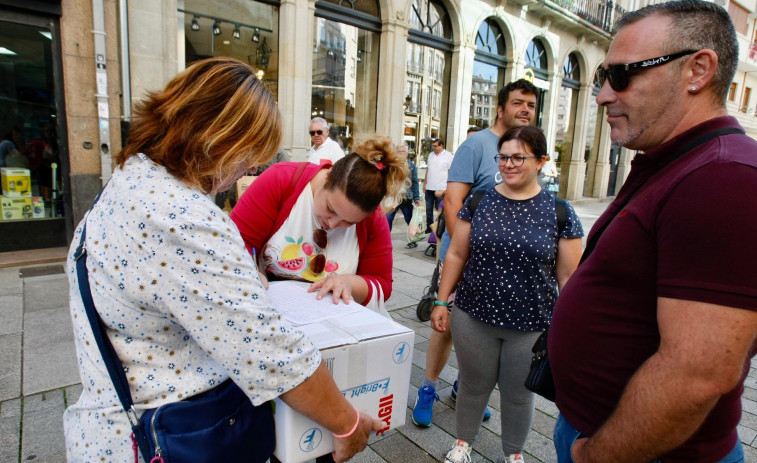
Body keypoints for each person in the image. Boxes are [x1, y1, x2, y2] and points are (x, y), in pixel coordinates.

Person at [63, 58, 382, 463]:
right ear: (219, 139)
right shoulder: (183, 219)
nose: (248, 169)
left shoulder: (131, 179)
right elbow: (269, 353)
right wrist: (347, 422)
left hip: (111, 425)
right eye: (249, 154)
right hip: (163, 438)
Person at [549, 2, 757, 463]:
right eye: (603, 76)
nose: (603, 94)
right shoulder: (682, 161)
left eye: (621, 75)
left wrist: (595, 455)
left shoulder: (725, 176)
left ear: (697, 70)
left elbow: (696, 374)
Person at [433, 126, 583, 463]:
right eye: (503, 157)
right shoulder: (479, 201)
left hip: (530, 326)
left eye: (518, 157)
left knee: (518, 396)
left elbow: (569, 278)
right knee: (472, 386)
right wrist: (442, 301)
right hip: (473, 316)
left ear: (542, 161)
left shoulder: (559, 212)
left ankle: (513, 454)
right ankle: (463, 444)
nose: (508, 164)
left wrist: (570, 329)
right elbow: (457, 254)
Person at [412, 79, 540, 428]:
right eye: (518, 103)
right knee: (446, 327)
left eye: (530, 104)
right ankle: (428, 388)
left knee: (481, 330)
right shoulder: (477, 145)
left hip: (500, 268)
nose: (525, 110)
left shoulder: (528, 148)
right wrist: (463, 253)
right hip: (463, 257)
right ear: (501, 108)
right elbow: (453, 202)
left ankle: (465, 388)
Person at [230, 135, 407, 316]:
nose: (332, 224)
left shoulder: (374, 217)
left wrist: (349, 283)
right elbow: (231, 244)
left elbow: (382, 284)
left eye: (349, 222)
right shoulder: (280, 179)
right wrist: (247, 271)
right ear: (327, 177)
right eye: (330, 208)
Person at [385, 143, 421, 244]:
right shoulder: (391, 164)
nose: (401, 153)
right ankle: (385, 241)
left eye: (403, 151)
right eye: (399, 151)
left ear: (407, 153)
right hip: (393, 197)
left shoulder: (412, 165)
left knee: (409, 219)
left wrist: (417, 198)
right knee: (388, 218)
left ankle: (413, 240)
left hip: (406, 197)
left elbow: (414, 183)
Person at [422, 138, 453, 233]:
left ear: (441, 146)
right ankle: (429, 227)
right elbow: (428, 170)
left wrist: (449, 186)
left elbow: (451, 171)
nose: (433, 148)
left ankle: (439, 227)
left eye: (435, 146)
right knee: (428, 209)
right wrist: (425, 183)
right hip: (429, 187)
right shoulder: (431, 155)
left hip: (441, 188)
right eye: (432, 146)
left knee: (440, 209)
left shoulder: (448, 156)